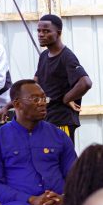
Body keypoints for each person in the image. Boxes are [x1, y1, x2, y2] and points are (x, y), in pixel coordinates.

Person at [34, 14, 92, 143]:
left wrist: (66, 98)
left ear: (58, 33)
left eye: (46, 31)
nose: (40, 34)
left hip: (61, 121)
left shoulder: (67, 56)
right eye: (39, 30)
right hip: (47, 120)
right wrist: (10, 105)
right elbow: (34, 84)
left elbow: (85, 83)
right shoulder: (44, 56)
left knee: (64, 160)